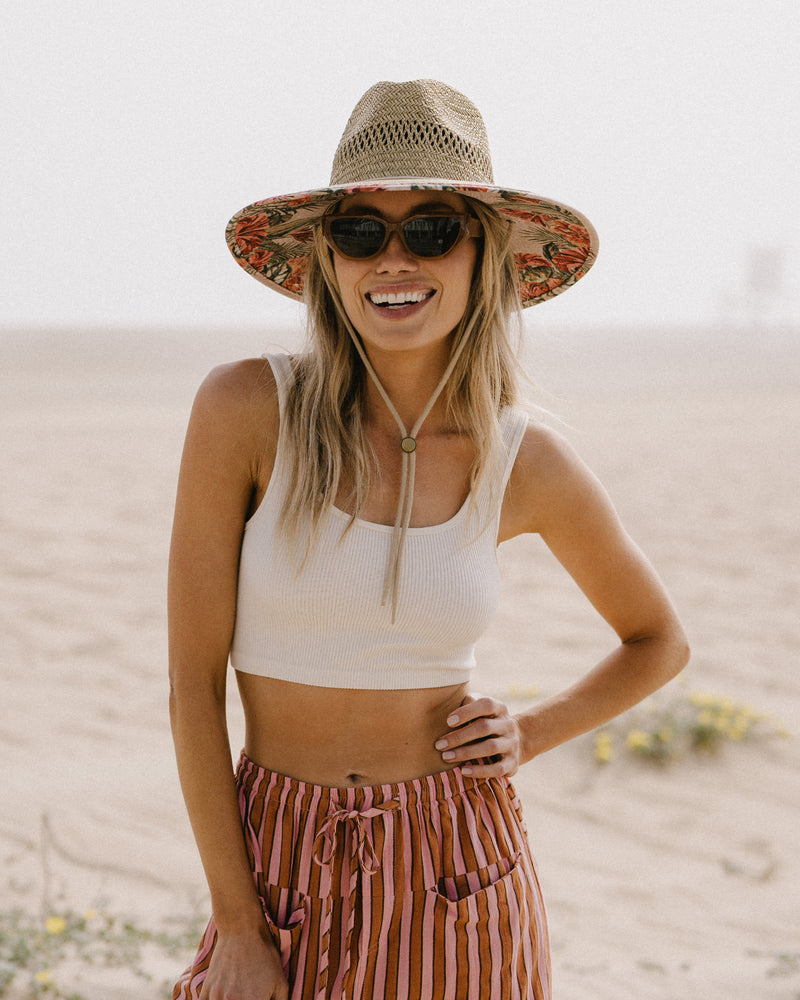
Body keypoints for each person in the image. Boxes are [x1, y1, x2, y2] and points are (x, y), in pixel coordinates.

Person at [169, 79, 689, 1000]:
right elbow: (192, 688)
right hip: (275, 846)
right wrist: (239, 927)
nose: (393, 260)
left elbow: (658, 641)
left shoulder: (526, 460)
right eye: (362, 231)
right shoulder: (246, 410)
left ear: (484, 254)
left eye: (433, 228)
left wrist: (528, 733)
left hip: (462, 860)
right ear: (327, 258)